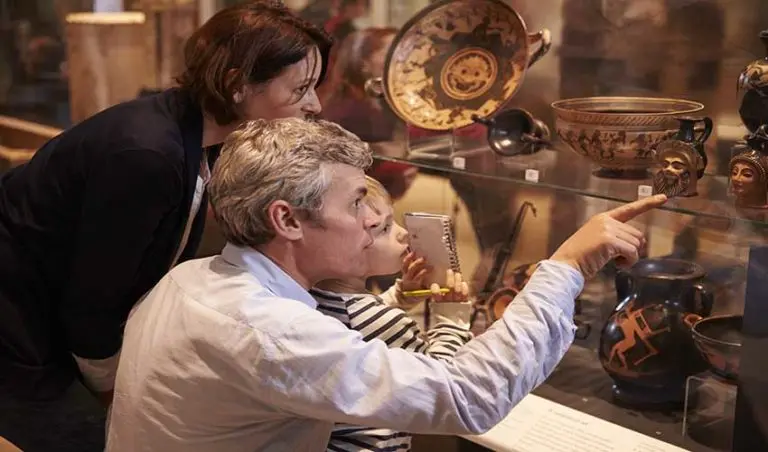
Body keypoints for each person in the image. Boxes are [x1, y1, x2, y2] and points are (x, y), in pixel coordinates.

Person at [107, 117, 667, 451]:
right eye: (356, 202)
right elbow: (467, 397)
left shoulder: (190, 279)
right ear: (287, 220)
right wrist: (566, 266)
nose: (376, 217)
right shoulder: (269, 330)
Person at [0, 2, 331, 451]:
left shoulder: (202, 136)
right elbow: (93, 303)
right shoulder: (148, 154)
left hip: (53, 307)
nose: (315, 105)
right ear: (236, 83)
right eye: (301, 89)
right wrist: (116, 390)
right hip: (18, 311)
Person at [313, 176, 472, 451]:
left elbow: (362, 322)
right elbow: (440, 383)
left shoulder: (313, 299)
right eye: (384, 228)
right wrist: (452, 319)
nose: (403, 233)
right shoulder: (387, 324)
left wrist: (400, 296)